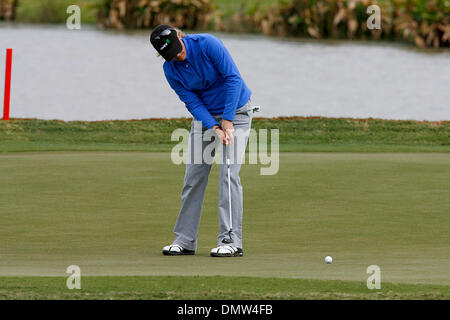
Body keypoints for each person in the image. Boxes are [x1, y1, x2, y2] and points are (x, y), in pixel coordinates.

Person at [150, 24, 253, 257]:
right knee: (193, 176)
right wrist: (214, 127)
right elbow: (192, 102)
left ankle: (231, 241)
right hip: (206, 118)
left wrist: (227, 121)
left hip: (236, 112)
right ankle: (185, 240)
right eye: (170, 54)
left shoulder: (207, 44)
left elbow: (233, 79)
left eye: (177, 48)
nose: (178, 55)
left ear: (180, 35)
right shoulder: (171, 70)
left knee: (228, 174)